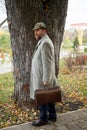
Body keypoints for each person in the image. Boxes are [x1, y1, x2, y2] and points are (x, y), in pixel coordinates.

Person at [30, 22, 58, 126]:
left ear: (44, 30)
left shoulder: (45, 43)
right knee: (48, 96)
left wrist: (46, 79)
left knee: (42, 98)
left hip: (43, 77)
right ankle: (52, 116)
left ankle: (43, 119)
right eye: (35, 31)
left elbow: (48, 63)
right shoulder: (43, 41)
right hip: (42, 76)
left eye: (37, 30)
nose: (35, 33)